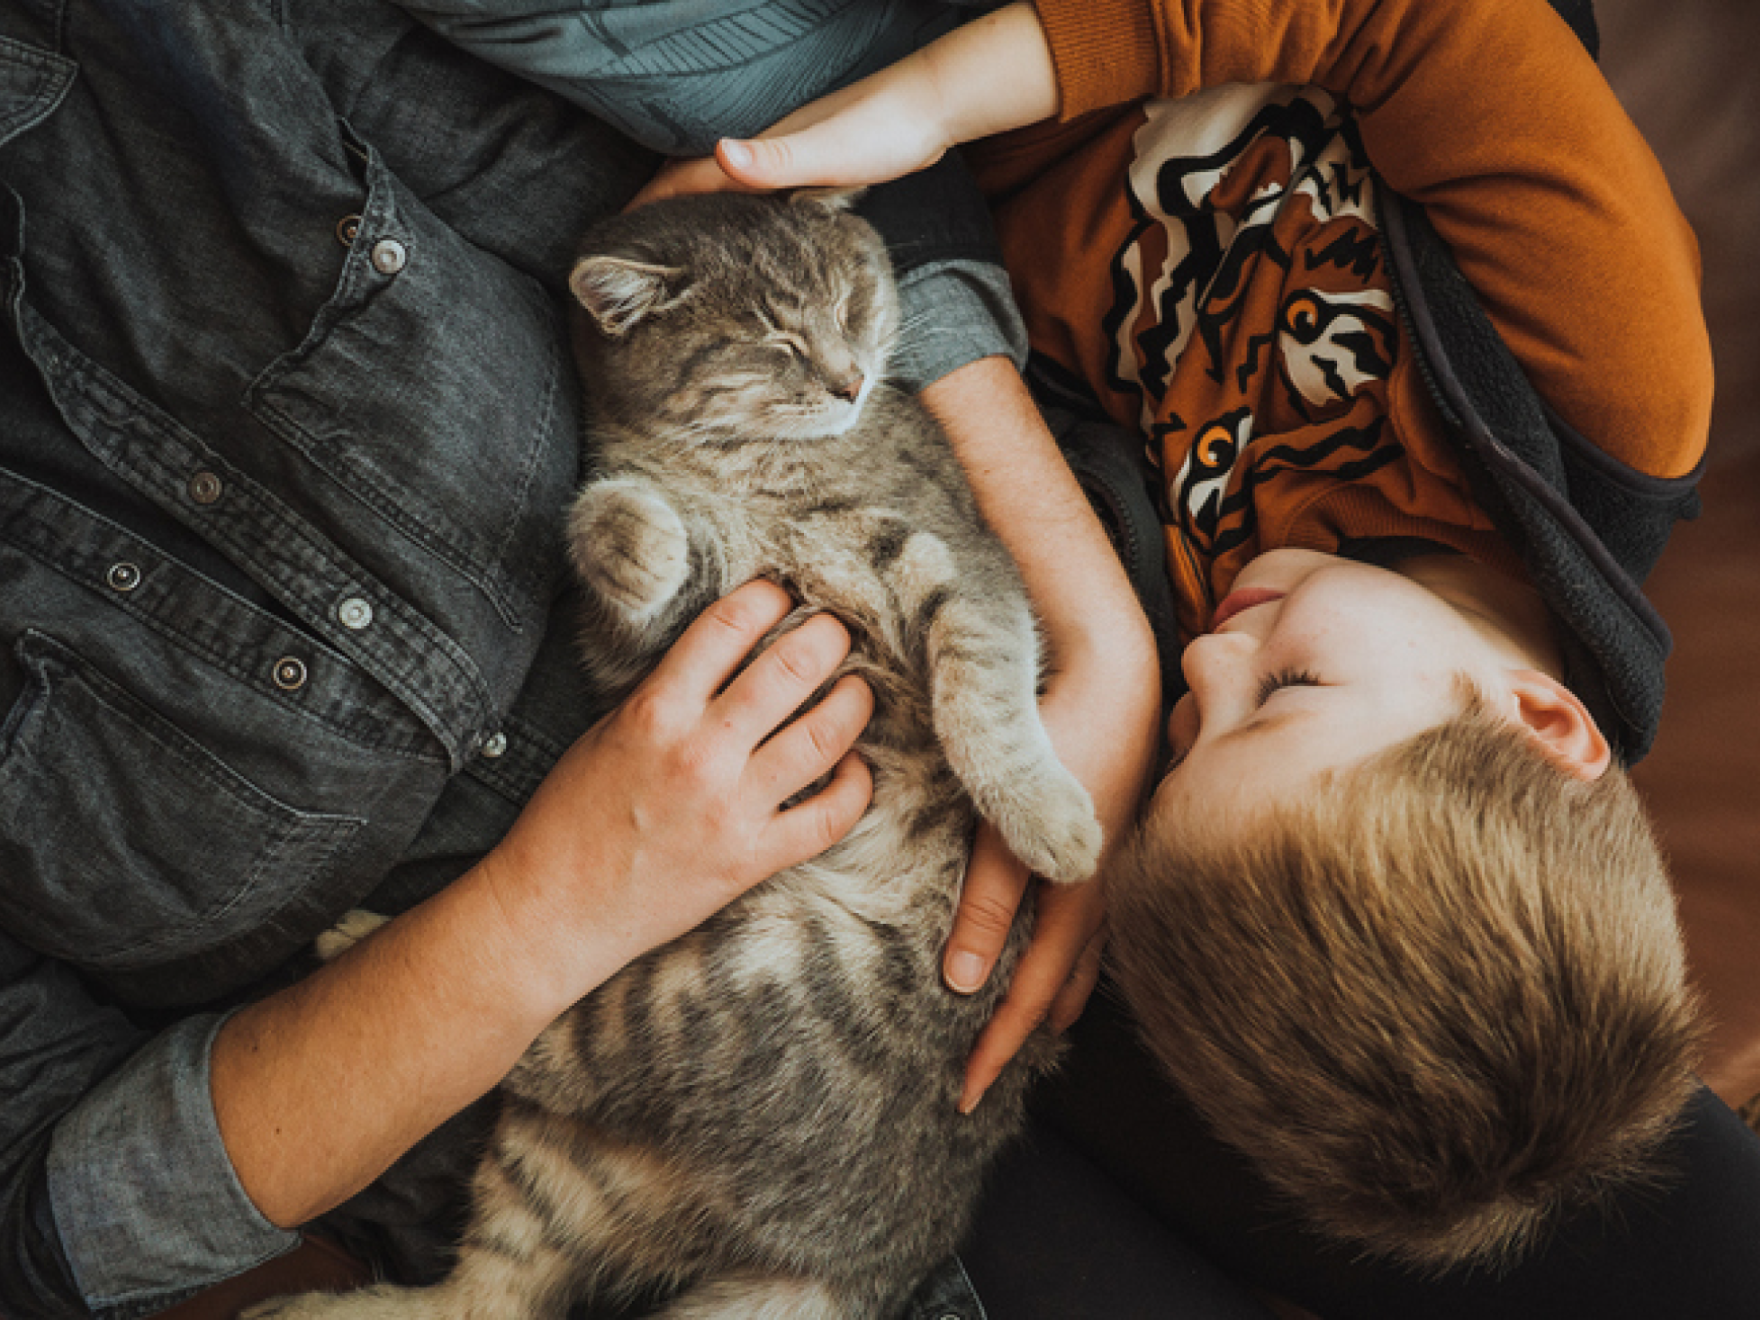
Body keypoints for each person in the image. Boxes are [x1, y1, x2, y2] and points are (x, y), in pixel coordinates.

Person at [0, 2, 1159, 1315]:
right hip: (577, 1166)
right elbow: (52, 1229)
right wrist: (543, 923)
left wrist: (1093, 627)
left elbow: (794, 143)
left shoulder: (148, 49)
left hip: (964, 915)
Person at [626, 0, 1760, 1314]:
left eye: (1184, 743)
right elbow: (1410, 21)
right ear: (1542, 723)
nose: (1210, 666)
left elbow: (919, 302)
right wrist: (932, 99)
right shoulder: (1613, 381)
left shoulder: (1209, 628)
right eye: (1285, 695)